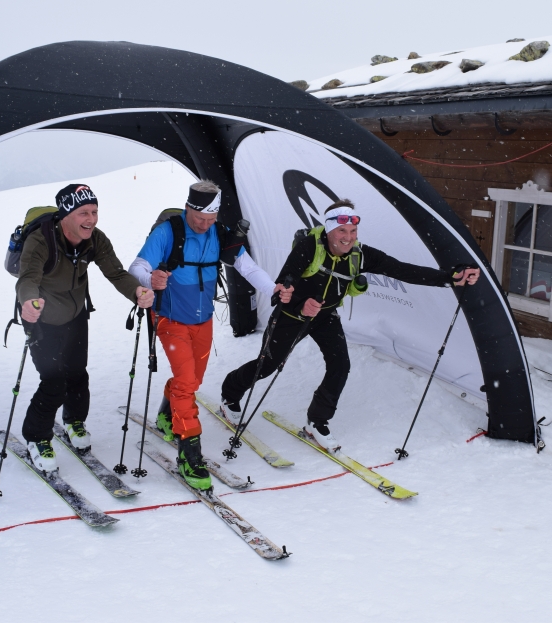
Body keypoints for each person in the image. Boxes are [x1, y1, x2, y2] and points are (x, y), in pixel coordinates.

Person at [220, 198, 480, 452]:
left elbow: (401, 270)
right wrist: (299, 303)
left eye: (353, 230)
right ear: (330, 229)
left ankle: (317, 421)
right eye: (342, 230)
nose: (348, 237)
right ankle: (230, 395)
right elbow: (285, 281)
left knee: (340, 365)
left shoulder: (360, 255)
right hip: (292, 316)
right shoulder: (309, 246)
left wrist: (450, 277)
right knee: (268, 364)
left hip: (325, 316)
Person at [129, 180, 291, 490]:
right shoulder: (168, 232)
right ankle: (190, 454)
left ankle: (166, 416)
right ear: (188, 207)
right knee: (187, 382)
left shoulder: (218, 233)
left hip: (202, 321)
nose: (204, 225)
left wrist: (273, 289)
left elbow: (246, 265)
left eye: (210, 220)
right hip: (169, 317)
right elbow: (136, 266)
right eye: (199, 218)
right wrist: (151, 276)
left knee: (192, 379)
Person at [17, 184, 154, 472]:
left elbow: (115, 272)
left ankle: (74, 421)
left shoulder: (95, 240)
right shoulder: (42, 241)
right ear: (65, 215)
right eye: (83, 213)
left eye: (94, 212)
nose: (90, 219)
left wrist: (137, 292)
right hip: (42, 319)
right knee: (53, 381)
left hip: (76, 314)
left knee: (77, 374)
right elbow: (27, 277)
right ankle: (36, 437)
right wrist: (29, 302)